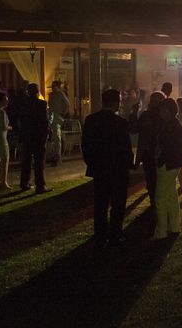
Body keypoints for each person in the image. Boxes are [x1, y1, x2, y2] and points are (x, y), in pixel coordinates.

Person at [82, 89, 133, 248]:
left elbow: (86, 145)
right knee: (118, 204)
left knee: (100, 204)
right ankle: (115, 234)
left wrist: (92, 163)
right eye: (119, 100)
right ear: (115, 102)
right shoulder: (121, 122)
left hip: (100, 169)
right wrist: (129, 164)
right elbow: (126, 148)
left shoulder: (91, 120)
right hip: (118, 170)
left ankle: (100, 236)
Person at [154, 98, 182, 239]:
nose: (160, 113)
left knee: (160, 197)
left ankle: (162, 231)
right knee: (171, 195)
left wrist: (159, 159)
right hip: (174, 164)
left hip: (168, 164)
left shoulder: (170, 125)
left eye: (163, 110)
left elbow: (167, 147)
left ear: (169, 111)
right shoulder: (173, 124)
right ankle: (174, 226)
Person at [131, 91, 166, 207]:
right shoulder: (164, 115)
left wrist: (134, 113)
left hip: (149, 151)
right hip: (158, 151)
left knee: (152, 178)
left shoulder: (146, 115)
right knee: (159, 179)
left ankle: (154, 202)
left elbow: (134, 129)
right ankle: (157, 202)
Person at [19, 83, 52, 193]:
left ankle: (24, 183)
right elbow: (44, 121)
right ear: (37, 92)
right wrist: (46, 134)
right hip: (38, 136)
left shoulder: (23, 104)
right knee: (39, 162)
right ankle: (40, 185)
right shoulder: (41, 104)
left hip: (27, 135)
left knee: (26, 160)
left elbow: (20, 120)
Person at [48, 80, 70, 166]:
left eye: (54, 86)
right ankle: (53, 155)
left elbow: (67, 104)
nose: (53, 88)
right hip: (51, 116)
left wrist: (63, 114)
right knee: (53, 137)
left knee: (57, 137)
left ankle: (57, 157)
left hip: (57, 116)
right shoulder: (50, 95)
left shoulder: (60, 94)